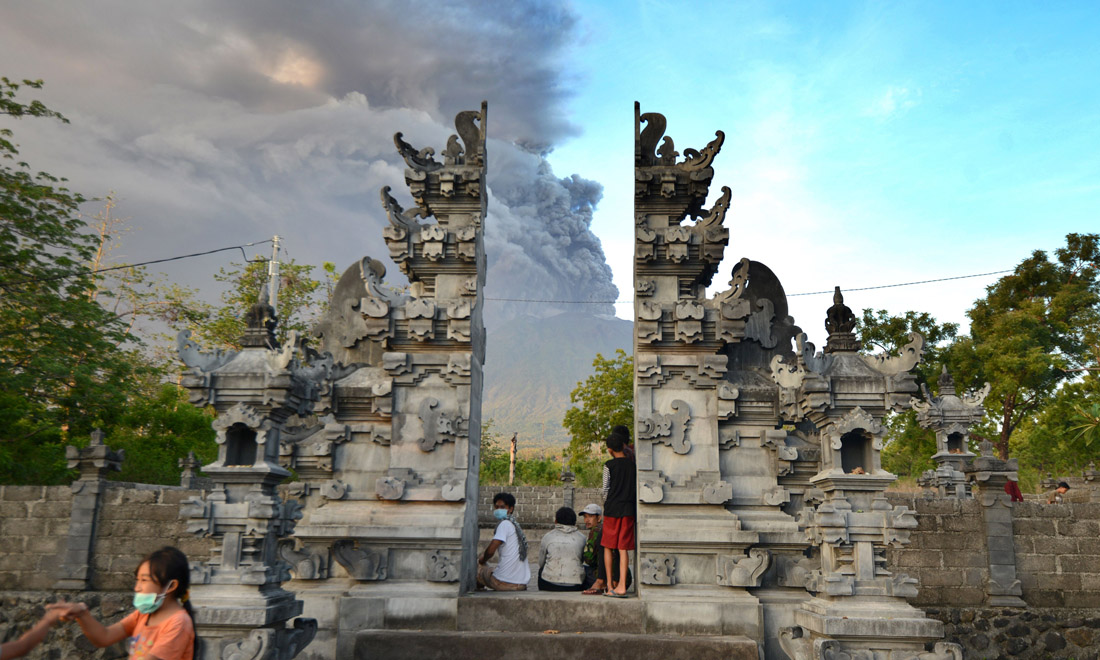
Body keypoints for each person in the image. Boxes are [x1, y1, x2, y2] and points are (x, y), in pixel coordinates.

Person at [49, 546, 196, 660]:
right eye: (137, 580)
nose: (137, 587)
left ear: (171, 586)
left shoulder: (178, 623)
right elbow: (105, 637)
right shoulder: (143, 615)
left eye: (144, 580)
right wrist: (82, 613)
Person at [601, 433, 636, 598]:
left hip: (612, 510)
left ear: (609, 450)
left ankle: (609, 585)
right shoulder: (632, 465)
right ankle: (622, 585)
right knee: (623, 549)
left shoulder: (608, 465)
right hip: (628, 509)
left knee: (608, 546)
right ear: (624, 446)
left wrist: (606, 503)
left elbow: (605, 490)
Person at [477, 492, 531, 591]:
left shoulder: (504, 524)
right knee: (492, 570)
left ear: (510, 509)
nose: (498, 510)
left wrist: (482, 560)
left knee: (477, 568)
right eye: (496, 507)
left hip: (504, 583)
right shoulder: (514, 525)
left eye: (502, 507)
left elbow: (490, 551)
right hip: (521, 584)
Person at [579, 503, 632, 595]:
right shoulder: (612, 529)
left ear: (599, 518)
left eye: (590, 516)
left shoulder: (595, 531)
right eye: (585, 517)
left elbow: (589, 559)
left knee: (583, 570)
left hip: (608, 578)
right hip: (626, 578)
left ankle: (601, 584)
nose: (587, 520)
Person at [537, 506, 586, 592]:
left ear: (556, 521)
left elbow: (541, 563)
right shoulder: (582, 538)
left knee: (541, 571)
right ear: (574, 522)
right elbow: (583, 560)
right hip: (575, 585)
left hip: (548, 584)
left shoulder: (548, 537)